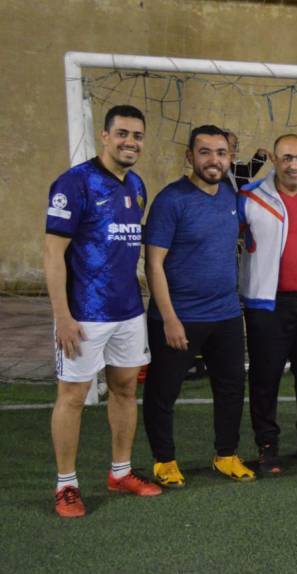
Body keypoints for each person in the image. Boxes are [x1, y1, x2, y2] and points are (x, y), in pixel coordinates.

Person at [43, 105, 162, 517]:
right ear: (105, 136)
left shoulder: (137, 185)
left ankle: (120, 472)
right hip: (83, 315)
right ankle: (66, 485)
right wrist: (62, 316)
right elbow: (52, 254)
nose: (131, 142)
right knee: (73, 396)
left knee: (126, 389)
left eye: (138, 135)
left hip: (128, 311)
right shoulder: (74, 183)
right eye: (123, 133)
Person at [144, 125, 254, 487]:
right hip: (180, 317)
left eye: (221, 153)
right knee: (163, 392)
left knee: (231, 388)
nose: (213, 160)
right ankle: (164, 460)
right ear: (190, 156)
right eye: (205, 152)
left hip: (225, 314)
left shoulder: (229, 195)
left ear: (229, 158)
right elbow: (154, 264)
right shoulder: (171, 200)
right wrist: (169, 318)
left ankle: (226, 455)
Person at [238, 134, 297, 474]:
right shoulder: (248, 197)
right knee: (265, 380)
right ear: (275, 160)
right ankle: (267, 446)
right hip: (267, 306)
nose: (294, 165)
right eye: (287, 158)